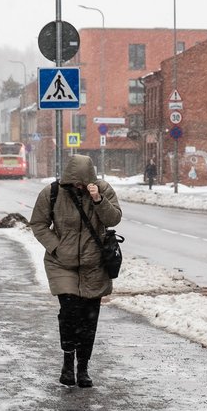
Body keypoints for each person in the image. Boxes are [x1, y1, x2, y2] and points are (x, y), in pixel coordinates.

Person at [28, 154, 123, 388]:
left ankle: (83, 367)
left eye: (83, 182)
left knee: (89, 319)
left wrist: (98, 200)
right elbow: (38, 224)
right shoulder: (52, 193)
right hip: (62, 264)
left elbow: (114, 219)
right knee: (70, 313)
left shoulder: (103, 190)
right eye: (76, 182)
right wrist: (57, 247)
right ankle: (67, 362)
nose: (79, 186)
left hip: (95, 265)